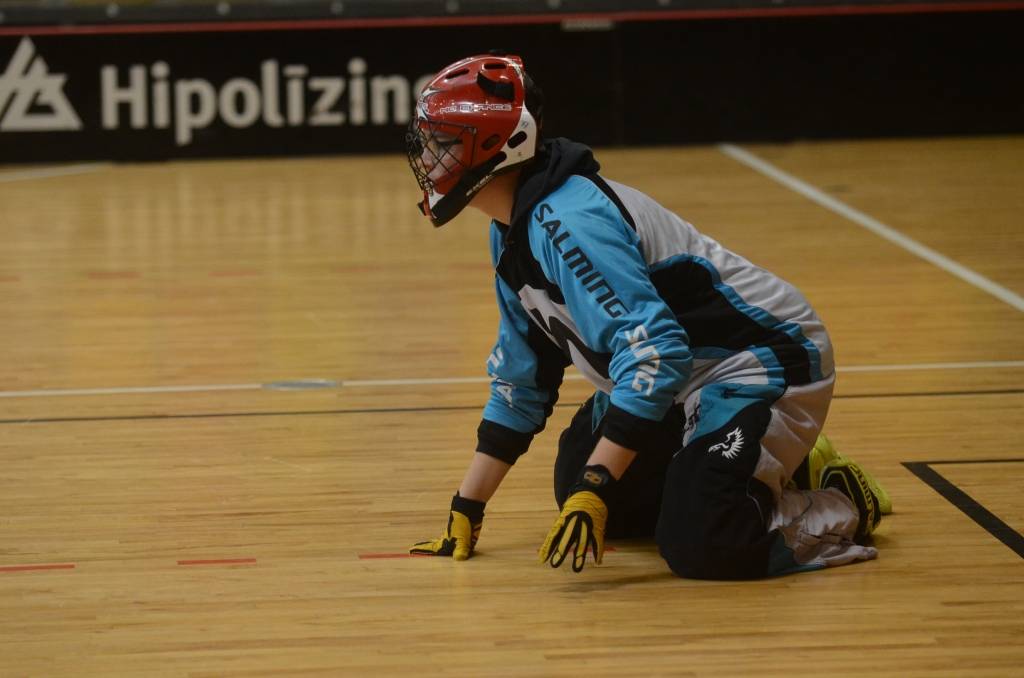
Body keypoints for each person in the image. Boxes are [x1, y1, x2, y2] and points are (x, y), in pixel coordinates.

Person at [405, 52, 891, 579]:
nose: (428, 156)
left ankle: (840, 501)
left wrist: (595, 486)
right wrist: (468, 506)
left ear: (497, 146)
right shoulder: (510, 231)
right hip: (677, 375)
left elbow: (654, 354)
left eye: (444, 141)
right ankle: (757, 466)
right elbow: (523, 380)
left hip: (759, 361)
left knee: (703, 539)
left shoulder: (568, 222)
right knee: (589, 489)